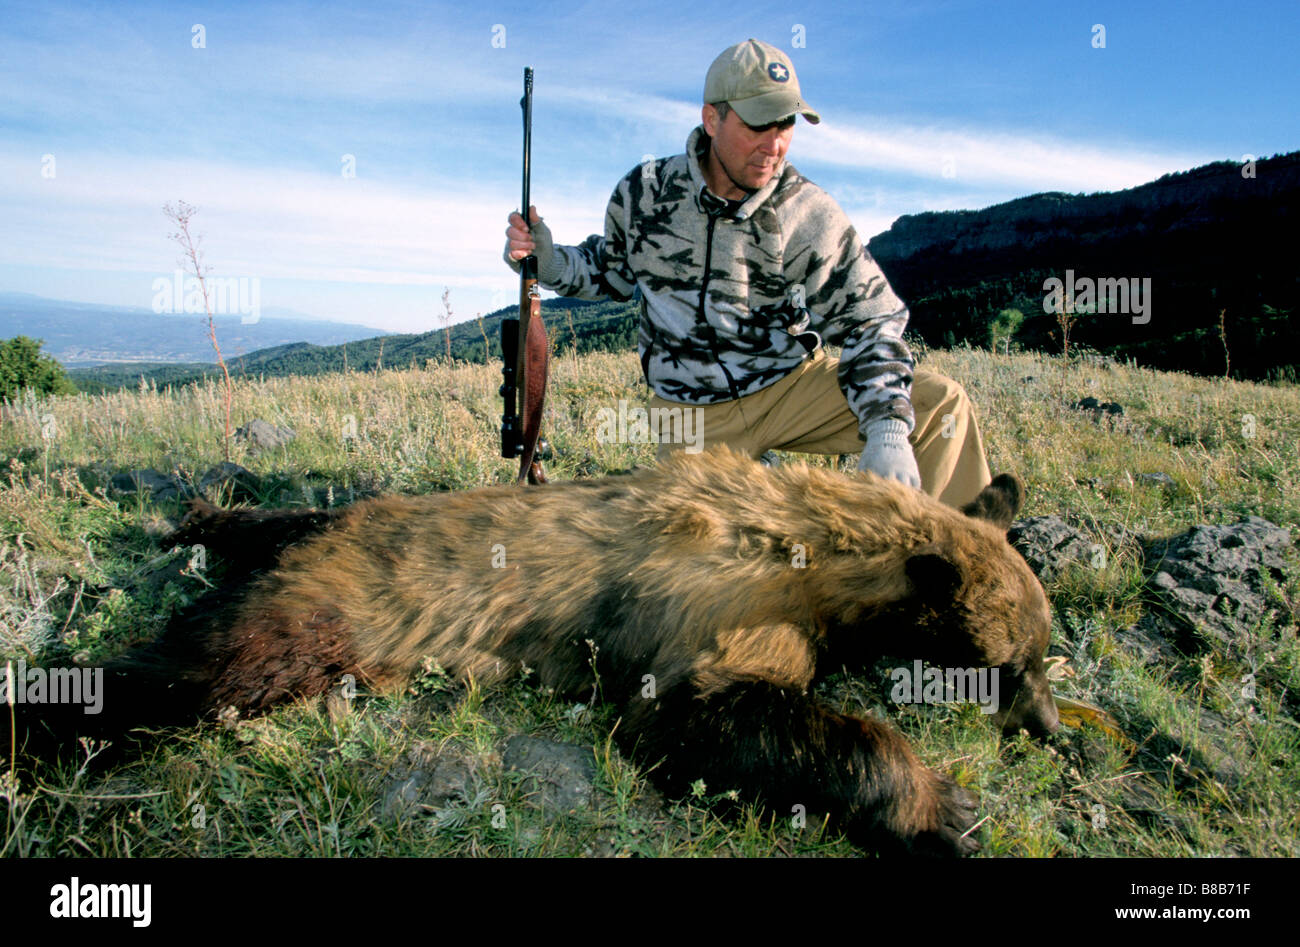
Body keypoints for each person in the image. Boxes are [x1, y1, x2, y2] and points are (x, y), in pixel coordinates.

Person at [505, 38, 992, 507]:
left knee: (940, 406)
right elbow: (611, 273)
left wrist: (887, 428)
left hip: (786, 386)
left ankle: (971, 568)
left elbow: (870, 319)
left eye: (785, 124)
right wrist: (549, 260)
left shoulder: (808, 211)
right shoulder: (644, 192)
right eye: (758, 124)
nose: (774, 145)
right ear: (711, 119)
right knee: (697, 561)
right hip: (689, 415)